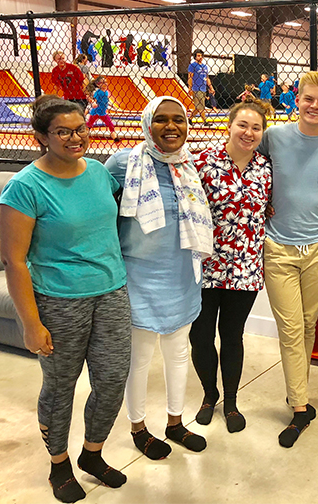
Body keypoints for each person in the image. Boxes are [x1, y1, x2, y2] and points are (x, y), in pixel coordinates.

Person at [0, 97, 131, 503]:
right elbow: (13, 259)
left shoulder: (97, 172)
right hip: (59, 301)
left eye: (81, 129)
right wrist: (30, 324)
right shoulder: (24, 187)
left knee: (111, 381)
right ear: (41, 137)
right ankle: (59, 463)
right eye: (63, 132)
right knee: (60, 388)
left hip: (111, 292)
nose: (76, 138)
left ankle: (93, 454)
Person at [105, 96, 212, 461]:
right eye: (162, 120)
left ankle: (175, 422)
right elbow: (103, 217)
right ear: (147, 123)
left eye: (178, 120)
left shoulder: (189, 164)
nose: (171, 127)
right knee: (139, 357)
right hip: (138, 277)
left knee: (178, 352)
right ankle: (138, 428)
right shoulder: (123, 164)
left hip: (181, 274)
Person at [258, 71, 318, 448]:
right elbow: (247, 169)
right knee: (292, 329)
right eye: (308, 99)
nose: (314, 106)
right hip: (278, 249)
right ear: (297, 99)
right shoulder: (274, 137)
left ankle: (298, 390)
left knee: (309, 324)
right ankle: (300, 406)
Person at [191, 100, 272, 433]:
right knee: (200, 336)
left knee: (232, 336)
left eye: (256, 128)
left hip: (245, 267)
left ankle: (232, 400)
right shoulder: (202, 162)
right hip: (204, 266)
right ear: (230, 125)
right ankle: (209, 395)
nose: (249, 133)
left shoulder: (266, 168)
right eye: (243, 125)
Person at [85, 76, 120, 142]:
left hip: (103, 113)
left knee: (110, 124)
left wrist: (113, 106)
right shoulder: (98, 92)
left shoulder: (106, 92)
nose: (105, 84)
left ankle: (115, 137)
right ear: (98, 84)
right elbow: (94, 100)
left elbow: (106, 101)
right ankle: (84, 135)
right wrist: (94, 104)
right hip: (95, 112)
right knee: (89, 125)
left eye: (106, 82)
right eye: (103, 83)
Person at [188, 49, 214, 125]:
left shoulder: (205, 66)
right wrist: (190, 87)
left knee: (198, 106)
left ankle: (189, 119)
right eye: (198, 56)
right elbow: (190, 77)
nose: (200, 57)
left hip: (203, 88)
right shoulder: (192, 65)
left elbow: (207, 78)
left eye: (201, 55)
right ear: (195, 57)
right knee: (201, 105)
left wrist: (211, 87)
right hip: (196, 88)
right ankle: (205, 121)